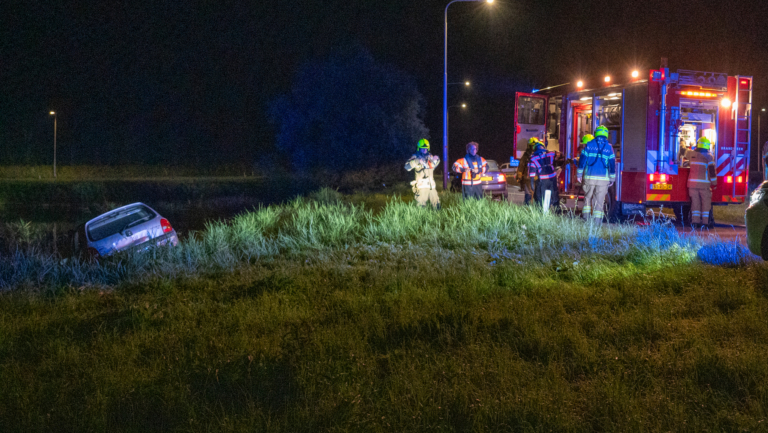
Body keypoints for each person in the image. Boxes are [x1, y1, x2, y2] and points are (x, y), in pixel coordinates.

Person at [577, 125, 616, 222]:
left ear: (596, 133)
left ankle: (586, 218)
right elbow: (612, 164)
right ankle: (597, 223)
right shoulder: (609, 148)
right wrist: (612, 178)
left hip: (589, 177)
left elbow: (582, 161)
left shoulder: (589, 145)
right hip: (603, 180)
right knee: (599, 201)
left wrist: (579, 174)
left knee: (587, 198)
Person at [685, 136, 717, 226]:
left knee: (695, 203)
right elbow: (712, 172)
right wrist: (714, 183)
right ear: (707, 146)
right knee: (705, 204)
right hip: (704, 185)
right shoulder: (709, 157)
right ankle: (705, 223)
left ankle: (695, 222)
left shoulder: (691, 154)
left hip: (692, 185)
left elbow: (685, 153)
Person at [405, 138, 441, 209]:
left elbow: (434, 166)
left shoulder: (430, 157)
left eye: (426, 148)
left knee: (437, 206)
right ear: (419, 148)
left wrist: (436, 159)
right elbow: (407, 167)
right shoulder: (415, 157)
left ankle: (437, 218)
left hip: (432, 187)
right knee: (421, 208)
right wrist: (417, 161)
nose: (425, 150)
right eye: (423, 148)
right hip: (421, 188)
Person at [527, 138, 559, 210]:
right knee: (554, 195)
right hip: (552, 179)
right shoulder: (551, 154)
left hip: (542, 181)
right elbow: (558, 160)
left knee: (540, 197)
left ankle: (544, 213)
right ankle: (557, 211)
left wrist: (532, 184)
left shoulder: (533, 159)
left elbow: (532, 173)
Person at [515, 138, 537, 205]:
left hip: (535, 179)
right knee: (529, 194)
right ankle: (527, 208)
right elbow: (521, 166)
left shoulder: (536, 154)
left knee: (534, 195)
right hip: (529, 178)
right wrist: (519, 176)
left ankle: (533, 209)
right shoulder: (526, 155)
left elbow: (521, 166)